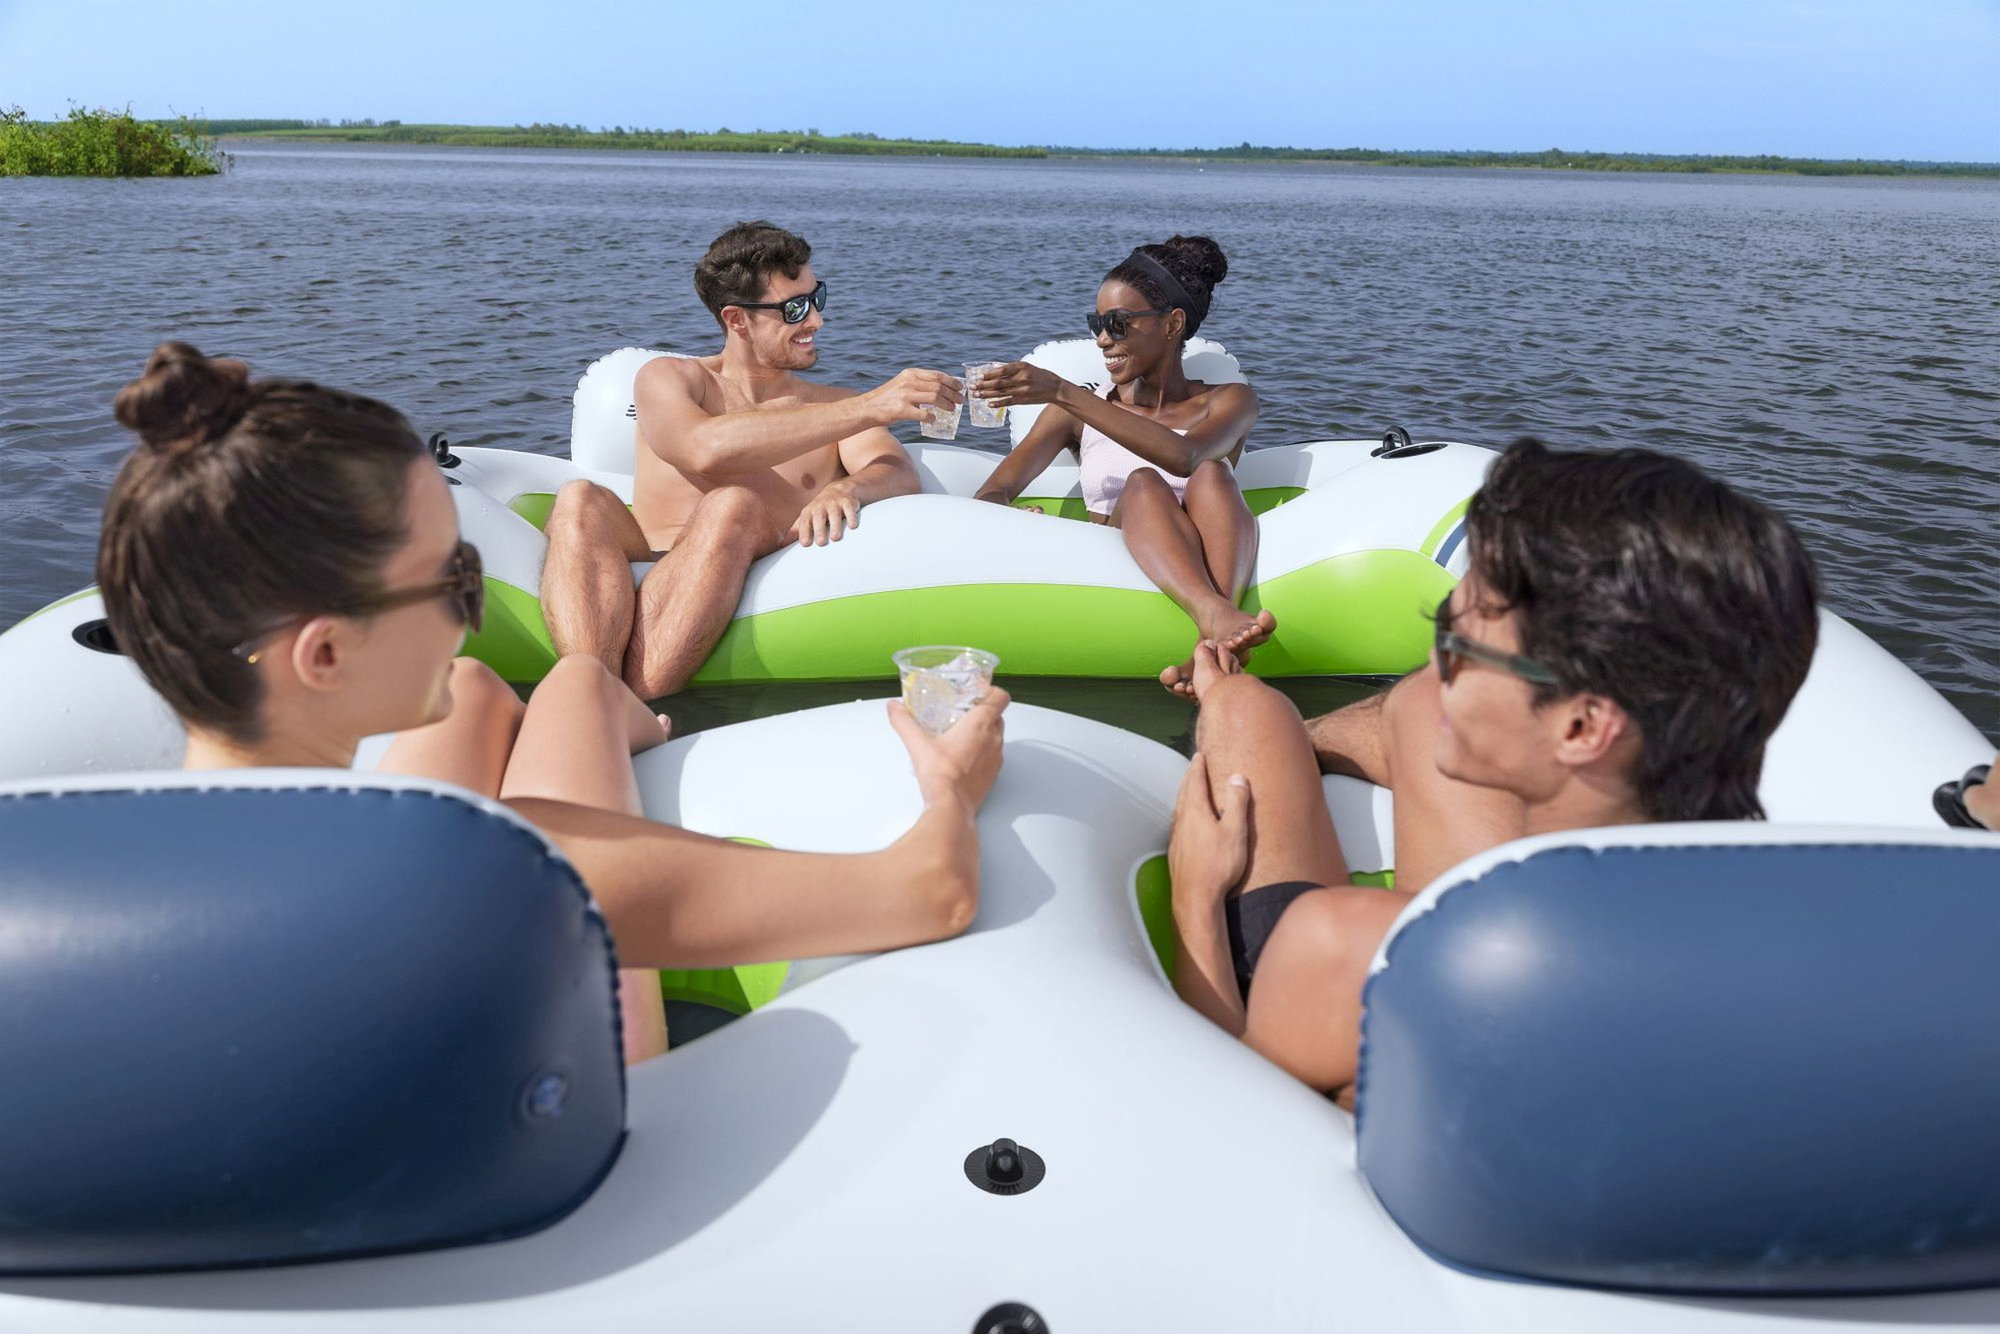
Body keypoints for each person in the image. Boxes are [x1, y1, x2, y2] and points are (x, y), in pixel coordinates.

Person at [96, 342, 1007, 1066]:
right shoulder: (523, 868)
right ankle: (628, 715)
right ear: (325, 652)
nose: (473, 607)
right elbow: (934, 891)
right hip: (567, 1112)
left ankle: (620, 708)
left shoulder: (97, 876)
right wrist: (951, 788)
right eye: (453, 579)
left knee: (481, 687)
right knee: (570, 687)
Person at [1165, 439, 1821, 1103]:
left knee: (1243, 708)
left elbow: (1231, 1122)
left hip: (1366, 1001)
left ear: (1583, 728)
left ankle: (1257, 730)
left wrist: (1195, 901)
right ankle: (1289, 740)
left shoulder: (1349, 949)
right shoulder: (1788, 952)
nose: (1435, 664)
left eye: (1456, 646)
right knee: (1413, 708)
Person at [540, 221, 963, 699]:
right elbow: (703, 449)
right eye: (794, 309)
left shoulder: (835, 404)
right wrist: (871, 405)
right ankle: (591, 695)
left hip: (755, 564)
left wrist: (848, 487)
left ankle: (630, 702)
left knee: (732, 506)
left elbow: (896, 470)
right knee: (579, 498)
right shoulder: (673, 378)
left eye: (817, 298)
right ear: (737, 320)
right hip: (648, 558)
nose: (816, 322)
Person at [970, 236, 1270, 693]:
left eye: (1118, 323)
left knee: (1212, 471)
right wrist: (1016, 519)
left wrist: (1061, 390)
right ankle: (1218, 625)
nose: (1102, 339)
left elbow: (1186, 457)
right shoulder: (1077, 411)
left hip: (1213, 540)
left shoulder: (1230, 400)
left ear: (1172, 324)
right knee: (1143, 482)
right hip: (1124, 549)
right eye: (1097, 323)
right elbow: (993, 492)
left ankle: (1210, 639)